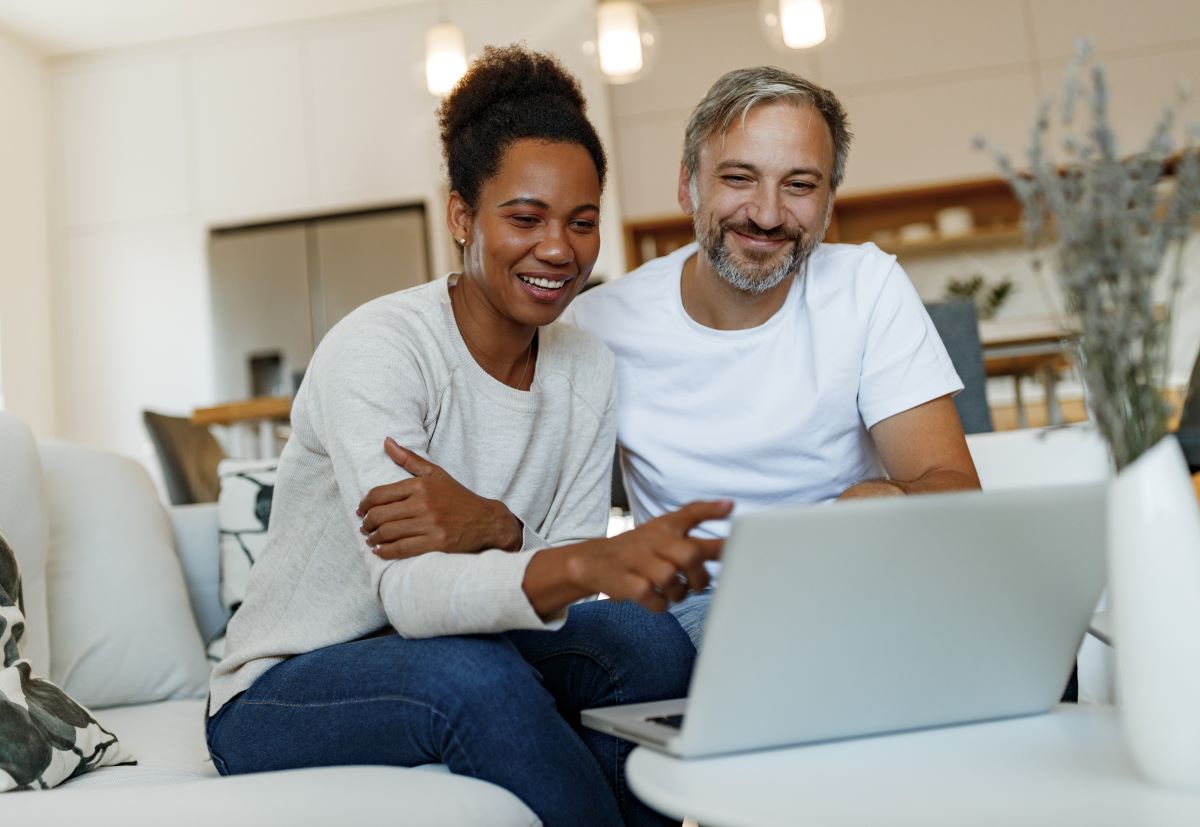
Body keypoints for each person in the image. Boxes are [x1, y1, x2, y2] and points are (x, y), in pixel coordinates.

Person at [206, 45, 725, 827]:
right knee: (474, 676)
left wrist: (498, 525)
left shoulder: (586, 365)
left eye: (581, 223)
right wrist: (560, 551)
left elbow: (570, 576)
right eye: (525, 218)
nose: (559, 248)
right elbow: (413, 597)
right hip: (290, 682)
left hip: (472, 638)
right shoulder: (382, 350)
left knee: (642, 638)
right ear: (461, 216)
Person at [566, 66, 981, 648]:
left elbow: (955, 488)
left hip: (857, 580)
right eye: (739, 178)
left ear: (829, 202)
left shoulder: (869, 285)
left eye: (800, 186)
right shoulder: (596, 323)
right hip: (695, 605)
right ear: (688, 185)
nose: (766, 213)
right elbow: (557, 526)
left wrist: (896, 496)